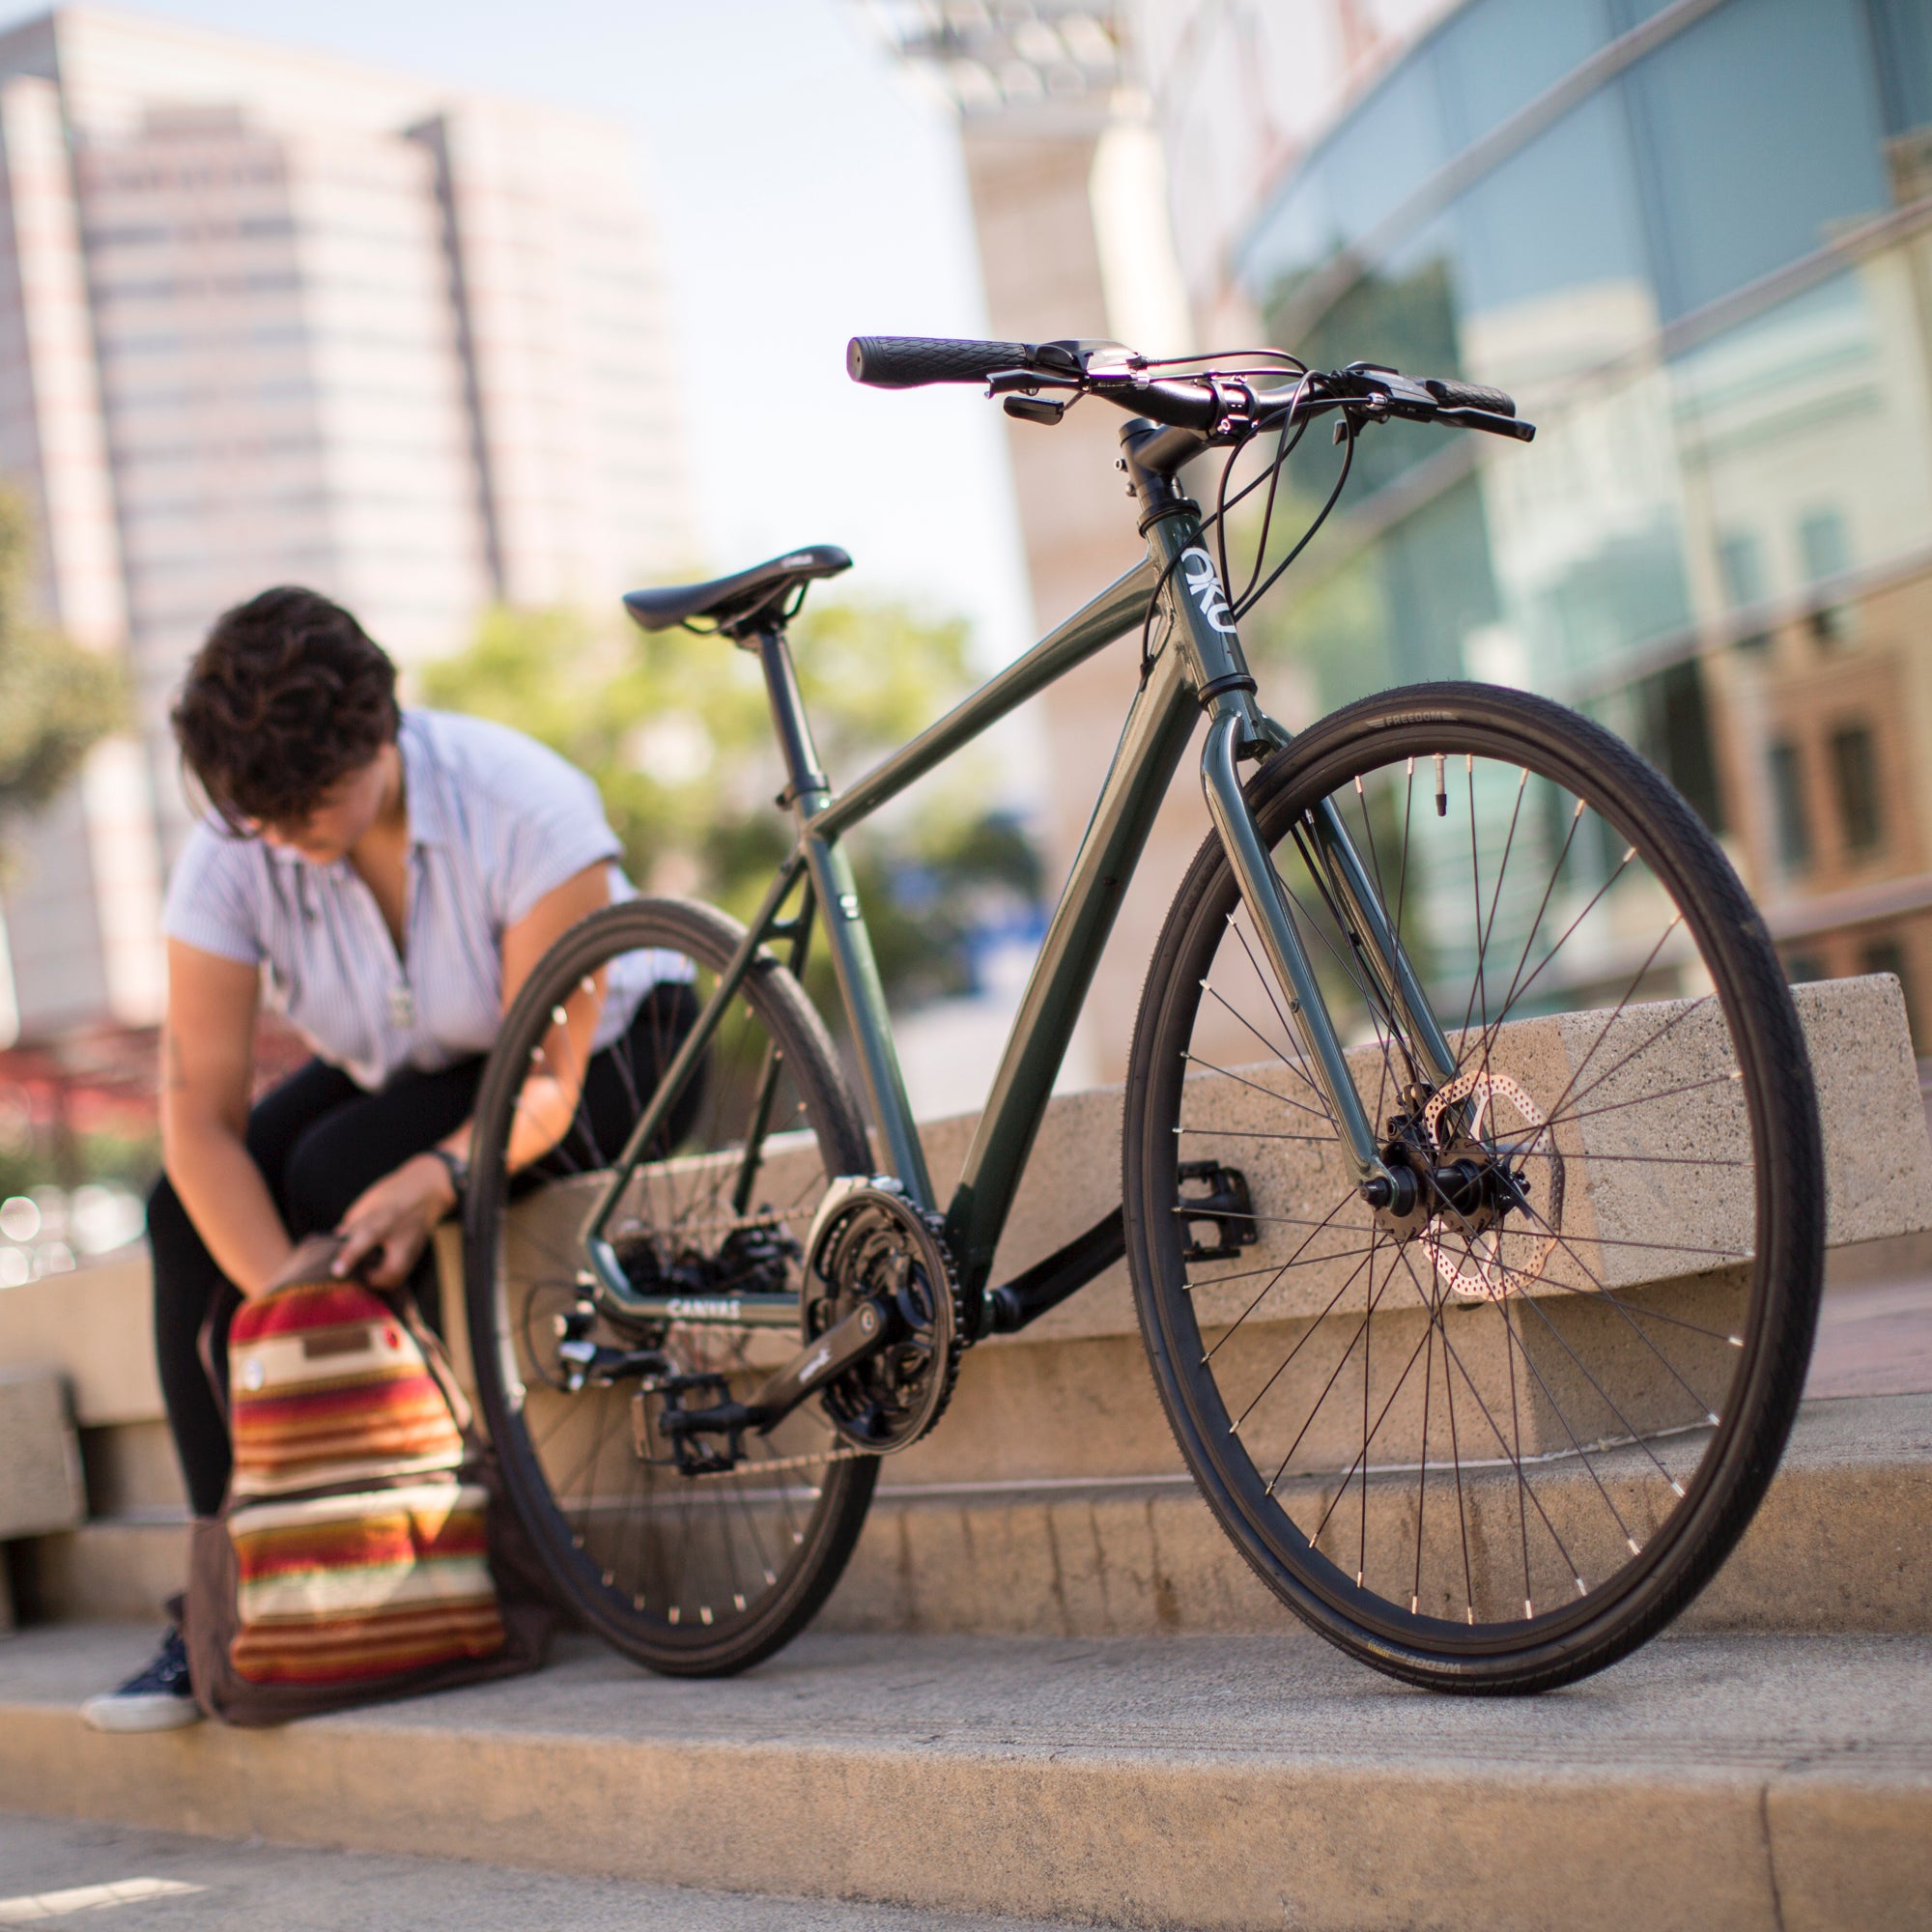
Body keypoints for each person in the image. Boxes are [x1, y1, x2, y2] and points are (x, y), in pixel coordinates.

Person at [83, 585, 690, 1731]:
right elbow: (198, 1119)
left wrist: (435, 1177)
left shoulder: (524, 804)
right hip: (417, 1066)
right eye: (250, 813)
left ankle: (428, 1568)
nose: (277, 834)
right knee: (183, 1210)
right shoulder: (237, 841)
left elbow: (545, 1079)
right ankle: (233, 1598)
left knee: (335, 1171)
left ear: (378, 731)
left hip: (613, 1057)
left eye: (302, 803)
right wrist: (290, 1305)